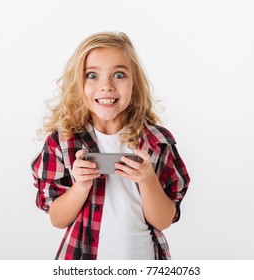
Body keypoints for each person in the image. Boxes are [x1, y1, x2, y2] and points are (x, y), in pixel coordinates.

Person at [31, 31, 190, 260]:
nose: (106, 86)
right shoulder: (63, 141)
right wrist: (81, 186)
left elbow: (164, 221)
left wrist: (147, 180)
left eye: (118, 74)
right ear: (78, 83)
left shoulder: (156, 142)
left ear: (134, 84)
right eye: (92, 75)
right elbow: (57, 219)